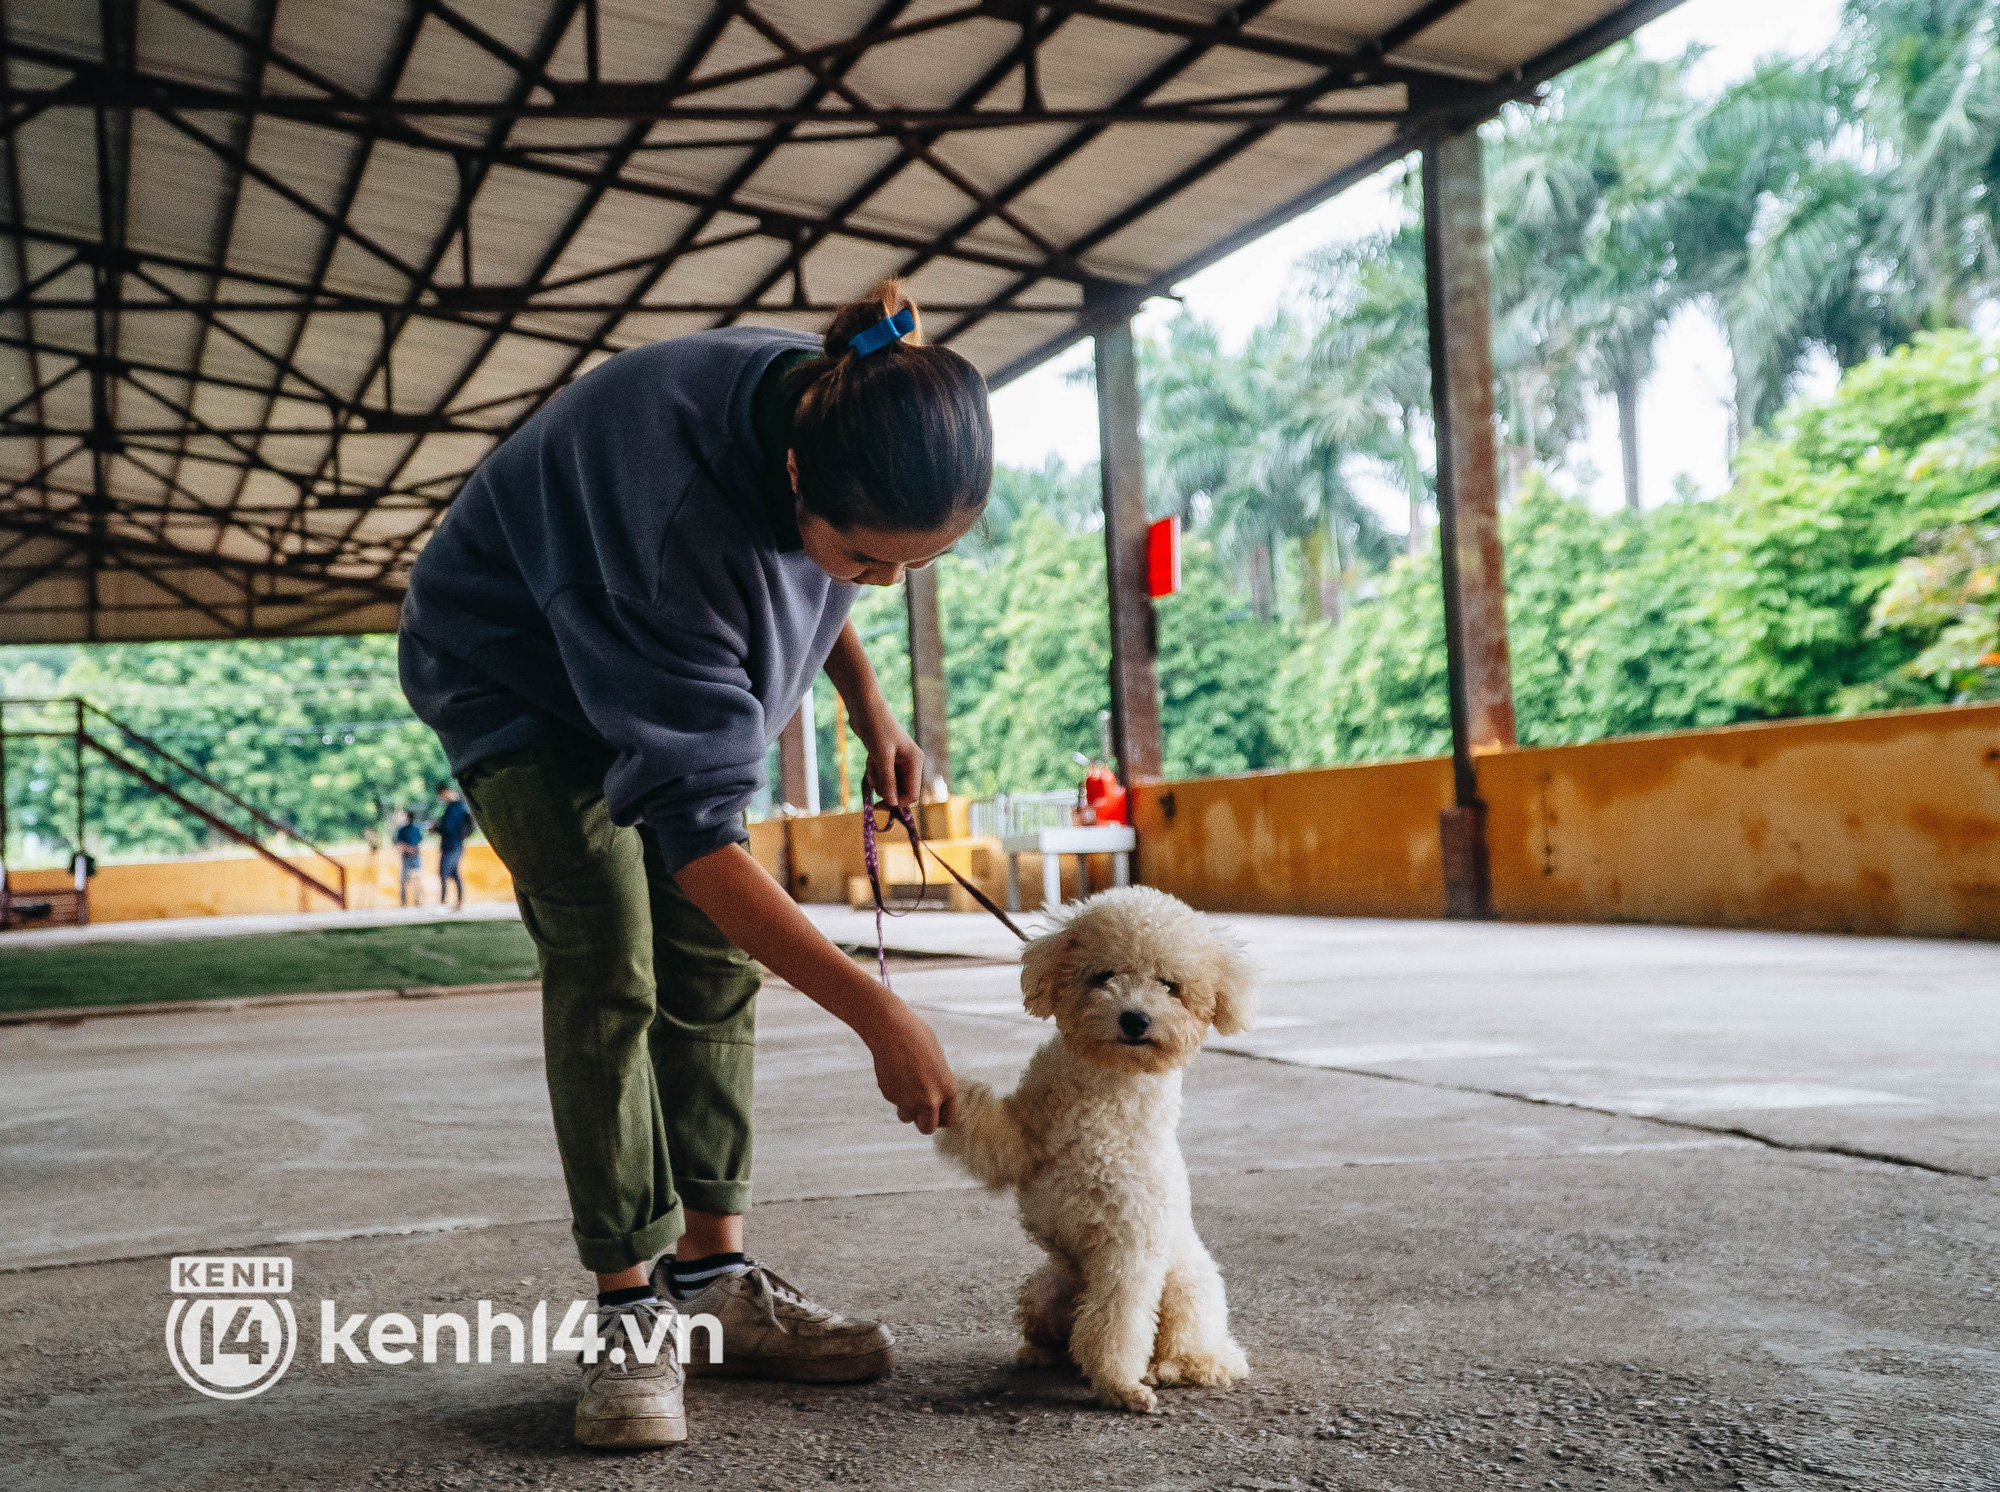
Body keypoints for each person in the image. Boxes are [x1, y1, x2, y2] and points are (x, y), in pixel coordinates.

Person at [398, 280, 989, 1449]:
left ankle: (712, 1283)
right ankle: (629, 1309)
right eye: (869, 557)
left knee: (712, 964)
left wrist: (869, 707)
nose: (879, 580)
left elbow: (821, 573)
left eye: (910, 568)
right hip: (516, 679)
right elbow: (697, 844)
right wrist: (879, 1013)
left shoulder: (837, 401)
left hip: (644, 652)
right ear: (790, 485)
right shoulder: (666, 528)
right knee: (611, 956)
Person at [433, 781, 473, 910]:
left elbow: (449, 828)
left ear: (445, 792)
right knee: (454, 874)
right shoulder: (451, 807)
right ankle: (459, 902)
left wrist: (437, 828)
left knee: (444, 873)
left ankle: (443, 903)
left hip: (454, 846)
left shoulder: (456, 807)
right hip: (450, 845)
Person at [393, 809, 425, 908]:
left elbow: (420, 841)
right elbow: (398, 842)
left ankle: (419, 900)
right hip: (406, 856)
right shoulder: (402, 830)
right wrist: (407, 849)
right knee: (404, 880)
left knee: (417, 878)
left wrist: (416, 849)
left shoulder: (417, 828)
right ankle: (403, 902)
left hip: (416, 856)